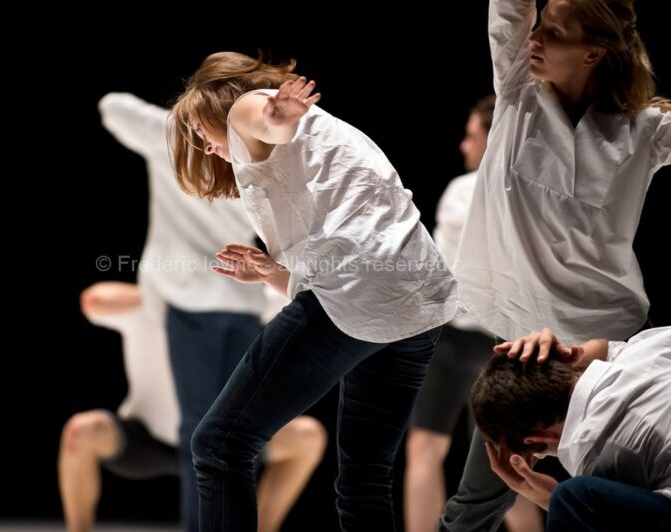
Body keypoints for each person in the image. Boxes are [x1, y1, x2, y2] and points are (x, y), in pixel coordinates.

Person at [170, 51, 460, 531]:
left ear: (216, 105)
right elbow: (350, 254)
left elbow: (265, 120)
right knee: (365, 477)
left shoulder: (247, 107)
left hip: (361, 292)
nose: (202, 144)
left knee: (220, 444)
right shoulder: (321, 134)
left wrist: (275, 117)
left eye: (199, 130)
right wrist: (272, 275)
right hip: (418, 304)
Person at [439, 0, 670, 529]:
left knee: (620, 495)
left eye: (555, 32)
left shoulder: (646, 128)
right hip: (527, 344)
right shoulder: (517, 94)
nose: (535, 37)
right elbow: (508, 12)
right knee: (479, 499)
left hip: (601, 342)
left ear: (594, 53)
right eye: (538, 25)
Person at [60, 93, 327, 532]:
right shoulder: (257, 156)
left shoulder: (177, 138)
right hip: (240, 298)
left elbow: (112, 105)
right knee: (225, 431)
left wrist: (180, 125)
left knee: (205, 434)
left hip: (192, 296)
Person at [59, 281, 327, 532]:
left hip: (223, 442)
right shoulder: (152, 309)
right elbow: (93, 299)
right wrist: (172, 294)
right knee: (82, 431)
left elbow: (301, 294)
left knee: (307, 437)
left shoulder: (240, 307)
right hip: (149, 438)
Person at [403, 95, 543, 532]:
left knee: (427, 450)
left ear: (492, 138)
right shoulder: (533, 194)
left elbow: (436, 270)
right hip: (502, 339)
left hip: (460, 338)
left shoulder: (465, 189)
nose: (464, 146)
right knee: (505, 462)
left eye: (472, 136)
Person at [469, 326, 671, 530]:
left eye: (541, 453)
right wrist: (575, 352)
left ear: (535, 439)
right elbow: (610, 349)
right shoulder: (642, 350)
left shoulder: (592, 454)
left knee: (570, 497)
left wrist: (552, 500)